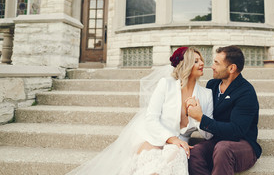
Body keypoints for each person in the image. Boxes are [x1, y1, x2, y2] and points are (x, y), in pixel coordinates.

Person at [67, 47, 213, 175]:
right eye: (196, 61)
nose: (202, 63)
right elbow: (151, 118)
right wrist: (171, 138)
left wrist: (198, 116)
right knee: (151, 159)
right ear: (186, 65)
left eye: (201, 60)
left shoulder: (206, 95)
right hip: (152, 134)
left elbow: (208, 135)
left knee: (177, 153)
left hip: (180, 143)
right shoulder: (166, 85)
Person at [187, 45, 262, 175]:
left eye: (217, 63)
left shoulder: (246, 92)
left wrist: (201, 118)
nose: (212, 66)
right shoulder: (212, 85)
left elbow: (236, 131)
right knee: (195, 152)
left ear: (232, 68)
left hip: (242, 144)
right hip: (217, 141)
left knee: (223, 149)